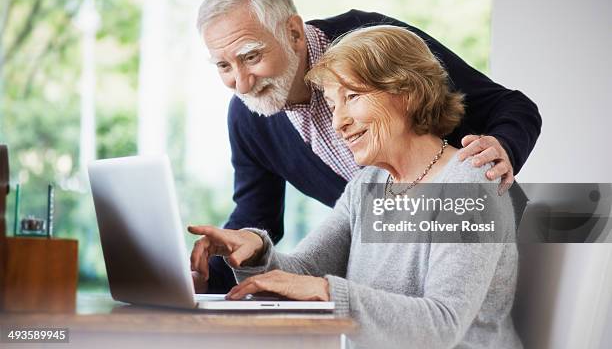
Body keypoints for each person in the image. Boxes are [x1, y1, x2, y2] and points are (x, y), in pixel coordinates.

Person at [194, 0, 541, 292]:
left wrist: (501, 148)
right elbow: (257, 219)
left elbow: (512, 106)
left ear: (294, 34)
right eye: (224, 66)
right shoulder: (250, 114)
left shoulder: (373, 44)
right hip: (388, 277)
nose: (240, 83)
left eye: (251, 56)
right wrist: (199, 279)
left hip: (467, 243)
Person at [189, 25, 522, 348]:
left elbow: (441, 325)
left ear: (406, 94)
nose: (338, 123)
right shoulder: (369, 184)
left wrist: (328, 292)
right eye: (333, 105)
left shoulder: (468, 183)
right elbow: (303, 272)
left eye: (352, 97)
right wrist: (255, 251)